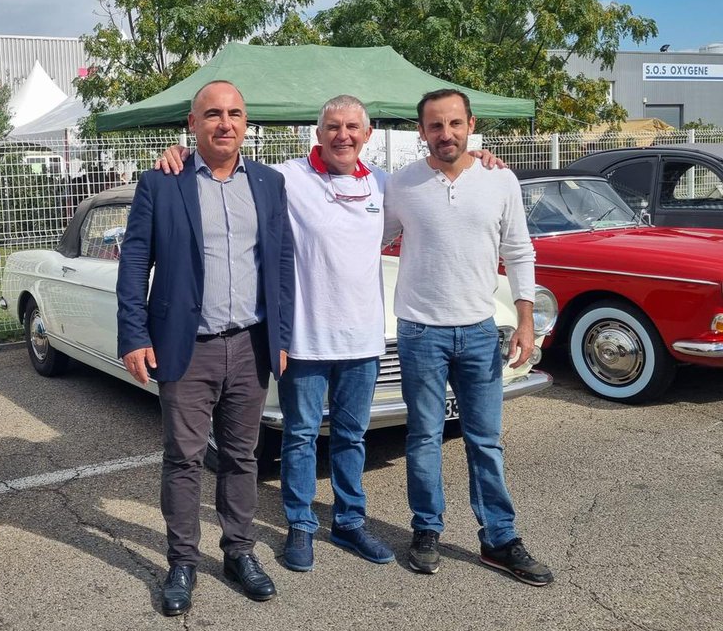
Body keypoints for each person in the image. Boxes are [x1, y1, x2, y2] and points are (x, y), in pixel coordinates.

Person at [157, 97, 509, 573]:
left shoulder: (387, 184)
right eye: (332, 127)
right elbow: (226, 161)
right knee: (301, 437)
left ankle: (349, 521)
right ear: (318, 134)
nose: (343, 135)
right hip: (305, 338)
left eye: (352, 127)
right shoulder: (287, 177)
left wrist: (484, 161)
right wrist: (178, 152)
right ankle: (301, 526)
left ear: (366, 135)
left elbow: (442, 176)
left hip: (362, 339)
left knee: (351, 437)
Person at [117, 80, 295, 616]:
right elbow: (134, 264)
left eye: (235, 113)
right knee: (185, 459)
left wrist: (281, 337)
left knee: (243, 456)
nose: (225, 123)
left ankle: (239, 551)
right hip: (185, 348)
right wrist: (134, 334)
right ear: (192, 124)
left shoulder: (268, 183)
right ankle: (182, 561)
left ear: (246, 123)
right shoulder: (162, 182)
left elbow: (281, 263)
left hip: (249, 344)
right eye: (212, 113)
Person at [383, 88, 553, 586]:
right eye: (435, 125)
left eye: (455, 124)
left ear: (471, 124)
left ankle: (499, 538)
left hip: (480, 330)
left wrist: (526, 320)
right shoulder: (401, 184)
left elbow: (520, 251)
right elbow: (365, 237)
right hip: (420, 332)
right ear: (420, 131)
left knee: (485, 440)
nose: (446, 134)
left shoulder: (499, 179)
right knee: (423, 438)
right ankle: (426, 530)